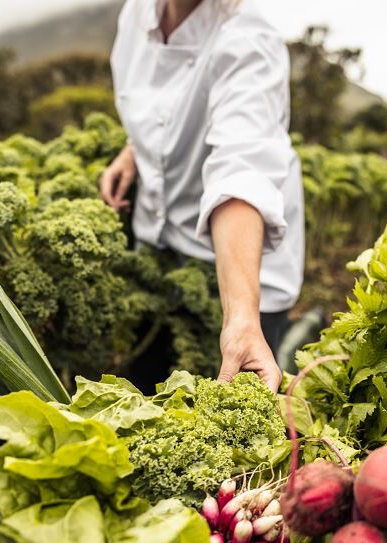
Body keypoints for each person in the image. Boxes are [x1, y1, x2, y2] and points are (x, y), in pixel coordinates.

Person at [100, 0, 303, 392]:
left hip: (241, 265)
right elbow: (161, 101)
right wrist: (135, 150)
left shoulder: (249, 39)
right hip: (160, 247)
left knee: (223, 423)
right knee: (144, 385)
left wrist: (242, 318)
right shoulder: (137, 13)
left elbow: (239, 172)